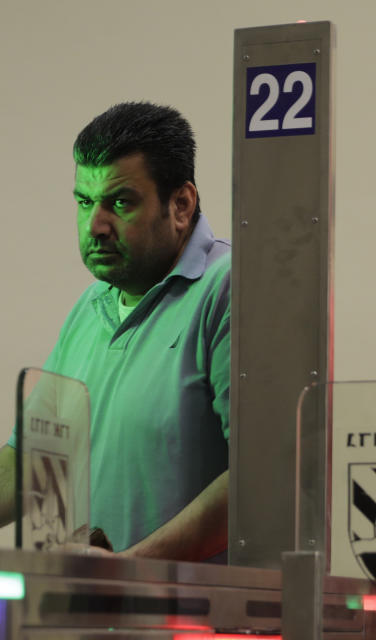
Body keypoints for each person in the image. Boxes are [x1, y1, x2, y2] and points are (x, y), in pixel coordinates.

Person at [0, 102, 230, 561]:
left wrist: (128, 573)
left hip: (192, 622)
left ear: (180, 204)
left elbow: (265, 476)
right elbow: (36, 462)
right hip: (96, 616)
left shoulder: (228, 289)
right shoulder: (91, 306)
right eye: (84, 202)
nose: (95, 225)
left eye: (119, 202)